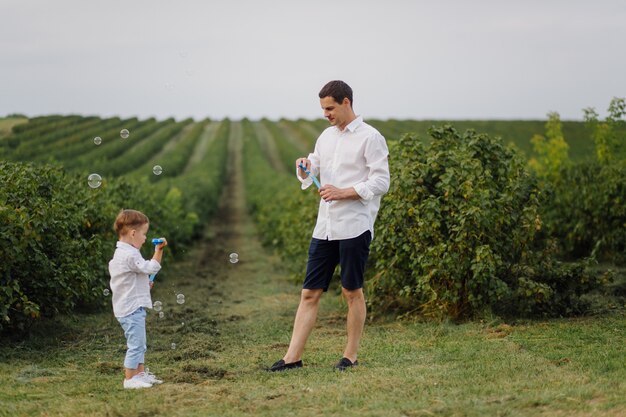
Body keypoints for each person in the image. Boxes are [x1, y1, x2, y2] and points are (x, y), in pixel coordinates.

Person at [268, 80, 390, 372]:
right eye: (323, 109)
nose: (326, 114)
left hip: (354, 226)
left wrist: (343, 191)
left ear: (346, 102)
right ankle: (292, 358)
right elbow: (311, 171)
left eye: (330, 108)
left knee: (351, 291)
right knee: (309, 292)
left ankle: (350, 356)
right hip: (324, 227)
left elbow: (381, 181)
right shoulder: (325, 137)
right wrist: (304, 168)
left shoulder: (371, 137)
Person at [108, 209, 168, 389]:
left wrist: (144, 284)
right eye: (144, 234)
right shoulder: (130, 254)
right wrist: (158, 250)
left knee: (140, 343)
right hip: (130, 308)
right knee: (135, 344)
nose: (144, 238)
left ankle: (140, 375)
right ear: (133, 233)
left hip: (130, 305)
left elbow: (132, 277)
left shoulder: (123, 253)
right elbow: (150, 267)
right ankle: (129, 379)